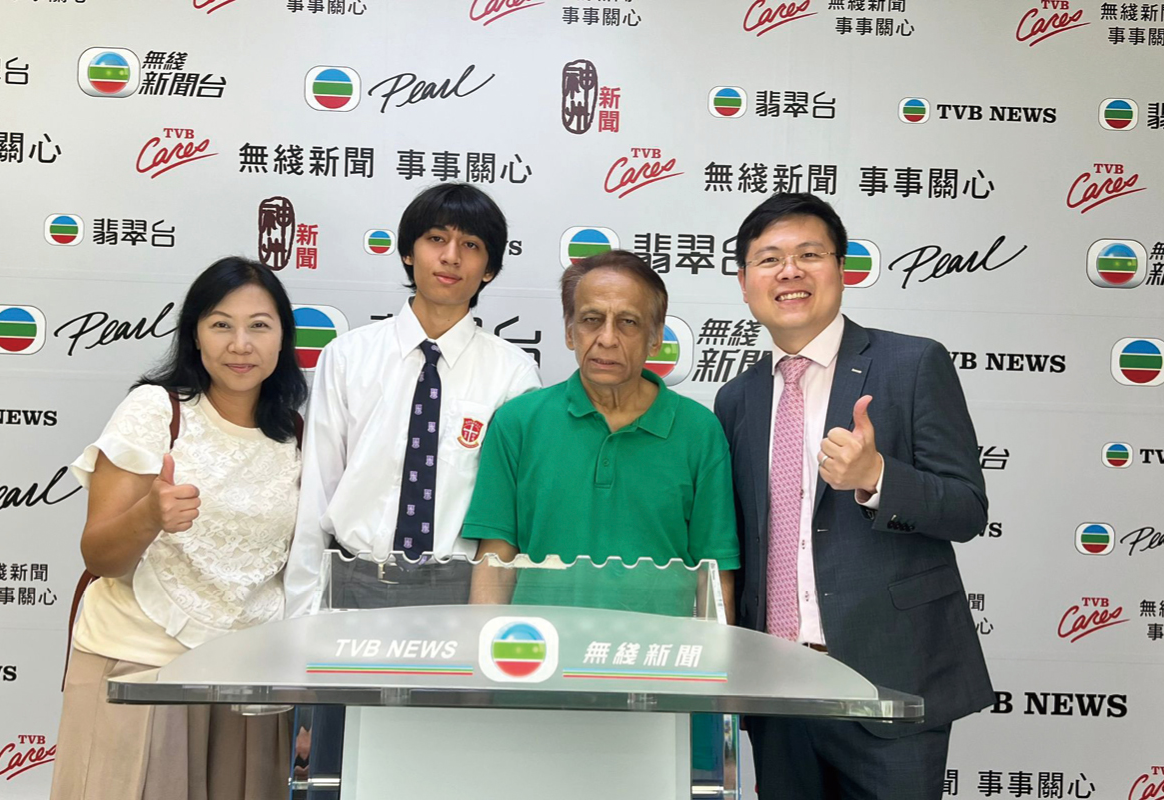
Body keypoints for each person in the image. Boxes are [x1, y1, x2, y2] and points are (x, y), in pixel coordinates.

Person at [713, 193, 993, 799]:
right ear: (744, 283)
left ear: (842, 269)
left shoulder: (911, 364)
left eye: (809, 254)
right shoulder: (736, 399)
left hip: (890, 681)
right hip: (778, 690)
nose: (789, 271)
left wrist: (878, 477)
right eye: (769, 259)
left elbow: (968, 508)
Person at [51, 257, 308, 800]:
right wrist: (149, 516)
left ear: (284, 338)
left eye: (259, 326)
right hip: (141, 666)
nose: (240, 344)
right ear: (194, 334)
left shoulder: (295, 432)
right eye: (221, 324)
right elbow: (99, 557)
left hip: (248, 678)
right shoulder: (155, 410)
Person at [283, 181, 540, 615]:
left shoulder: (513, 374)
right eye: (436, 239)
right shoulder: (347, 357)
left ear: (490, 269)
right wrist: (302, 614)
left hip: (457, 591)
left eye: (471, 245)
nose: (451, 256)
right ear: (407, 252)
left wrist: (484, 620)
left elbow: (506, 517)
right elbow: (316, 496)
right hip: (354, 583)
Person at [464, 250, 739, 617]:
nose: (607, 338)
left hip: (658, 649)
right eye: (591, 320)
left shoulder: (699, 431)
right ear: (569, 331)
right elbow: (495, 560)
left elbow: (715, 574)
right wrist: (483, 644)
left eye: (628, 322)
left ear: (656, 337)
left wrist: (713, 653)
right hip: (539, 647)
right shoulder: (518, 423)